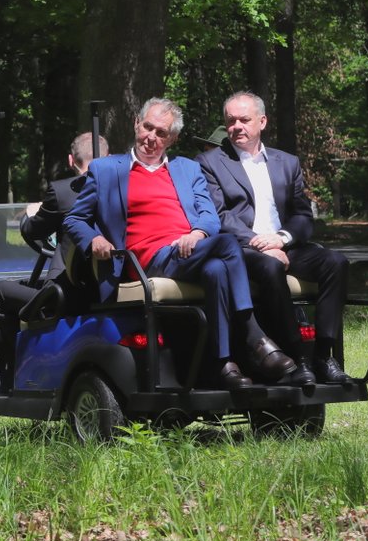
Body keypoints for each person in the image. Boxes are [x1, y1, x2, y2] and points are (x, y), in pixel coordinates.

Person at [63, 97, 296, 389]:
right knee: (226, 245)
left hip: (188, 251)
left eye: (161, 133)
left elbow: (210, 217)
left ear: (172, 139)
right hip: (147, 260)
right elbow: (74, 220)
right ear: (137, 123)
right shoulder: (107, 170)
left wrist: (197, 233)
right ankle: (253, 336)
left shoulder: (187, 169)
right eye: (148, 127)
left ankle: (221, 364)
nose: (151, 138)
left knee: (216, 270)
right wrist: (94, 238)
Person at [197, 91, 350, 384]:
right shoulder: (210, 162)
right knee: (270, 267)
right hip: (242, 248)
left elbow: (303, 215)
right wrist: (259, 242)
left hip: (284, 244)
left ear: (262, 121)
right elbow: (219, 215)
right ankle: (297, 357)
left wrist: (281, 238)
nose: (237, 126)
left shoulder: (287, 162)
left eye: (244, 119)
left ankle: (323, 354)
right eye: (231, 121)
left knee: (336, 262)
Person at [0, 132, 109, 391]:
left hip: (66, 296)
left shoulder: (63, 192)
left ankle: (12, 370)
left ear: (70, 160)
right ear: (108, 157)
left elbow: (34, 232)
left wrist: (29, 216)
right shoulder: (121, 190)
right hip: (106, 289)